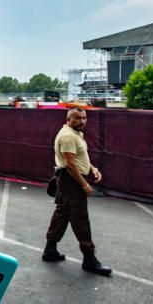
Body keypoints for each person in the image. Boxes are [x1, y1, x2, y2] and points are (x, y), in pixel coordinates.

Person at [41, 107, 113, 276]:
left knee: (61, 215)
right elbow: (70, 164)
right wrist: (85, 185)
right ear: (68, 119)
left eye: (84, 118)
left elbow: (80, 159)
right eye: (78, 118)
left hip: (68, 179)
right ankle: (89, 259)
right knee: (80, 219)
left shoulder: (75, 133)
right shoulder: (67, 136)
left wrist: (92, 168)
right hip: (70, 180)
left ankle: (50, 250)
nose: (82, 121)